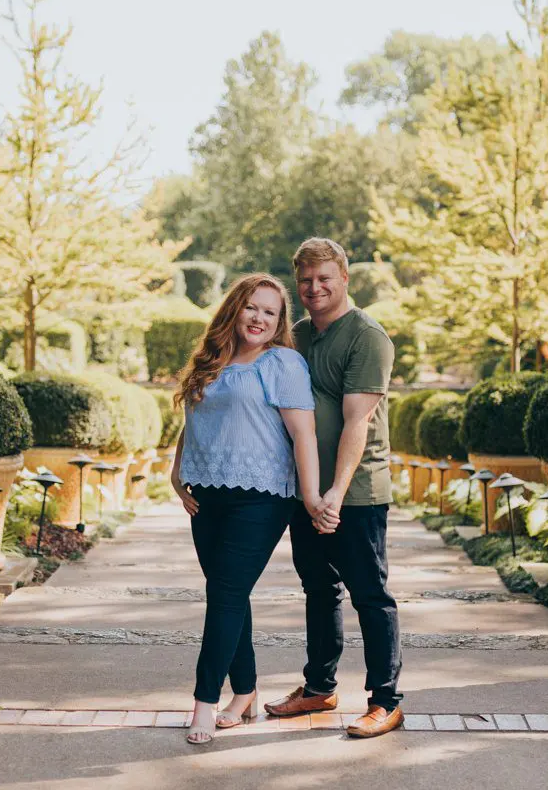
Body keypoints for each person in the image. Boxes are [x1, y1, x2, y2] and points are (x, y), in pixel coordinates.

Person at [170, 273, 333, 745]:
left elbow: (302, 433)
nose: (259, 318)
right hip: (206, 495)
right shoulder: (211, 361)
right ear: (235, 309)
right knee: (229, 594)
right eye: (252, 308)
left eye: (270, 312)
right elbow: (195, 420)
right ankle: (245, 692)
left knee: (222, 595)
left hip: (261, 496)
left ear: (279, 322)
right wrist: (176, 473)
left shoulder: (281, 362)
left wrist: (310, 495)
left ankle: (204, 702)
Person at [263, 237, 403, 738]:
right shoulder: (297, 335)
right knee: (319, 589)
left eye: (325, 278)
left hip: (355, 493)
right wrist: (309, 492)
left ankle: (385, 700)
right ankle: (319, 688)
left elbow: (356, 421)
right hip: (306, 491)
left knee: (371, 595)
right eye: (305, 280)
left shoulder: (367, 337)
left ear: (345, 278)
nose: (314, 287)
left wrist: (336, 495)